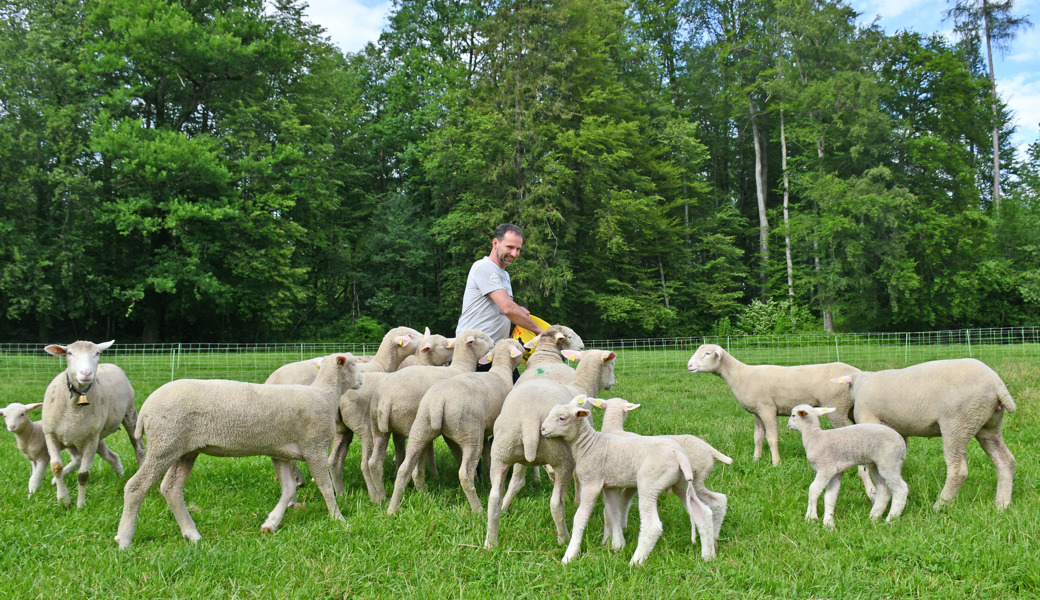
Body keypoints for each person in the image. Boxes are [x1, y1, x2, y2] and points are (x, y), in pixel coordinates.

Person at [456, 223, 544, 374]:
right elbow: (507, 308)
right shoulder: (484, 267)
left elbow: (504, 305)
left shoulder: (504, 274)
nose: (514, 253)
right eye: (510, 247)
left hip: (496, 352)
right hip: (473, 351)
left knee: (516, 387)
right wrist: (540, 332)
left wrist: (518, 309)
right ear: (495, 243)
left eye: (518, 249)